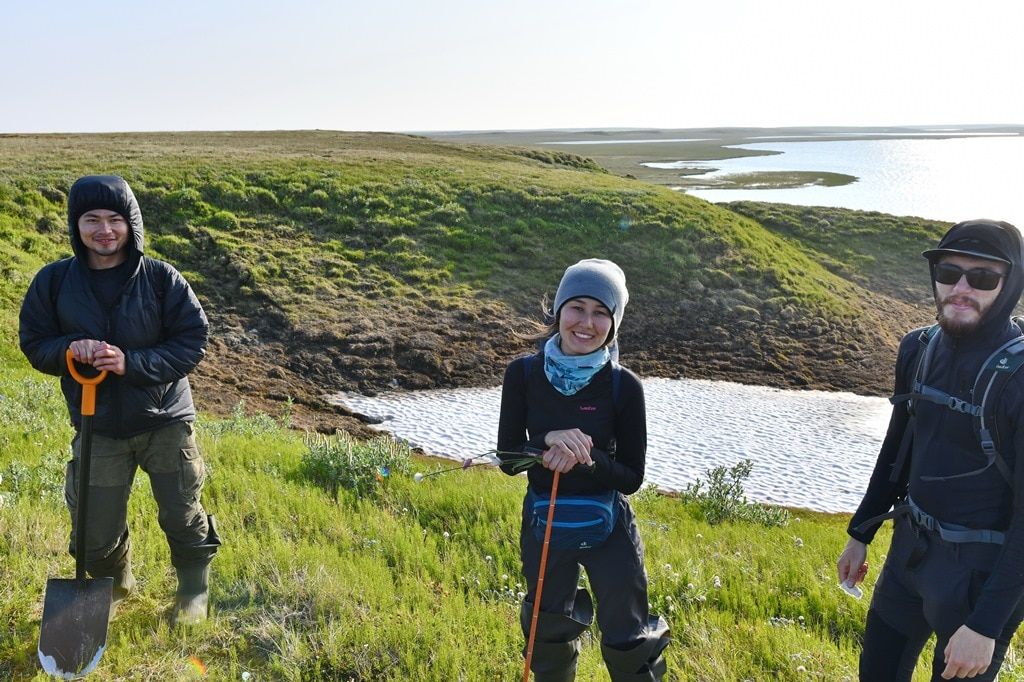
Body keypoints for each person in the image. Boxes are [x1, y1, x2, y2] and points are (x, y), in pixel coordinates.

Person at [19, 175, 220, 625]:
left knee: (183, 514)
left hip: (164, 419)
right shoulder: (52, 282)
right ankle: (114, 586)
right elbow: (34, 342)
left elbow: (193, 340)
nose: (104, 230)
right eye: (92, 219)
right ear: (77, 225)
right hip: (98, 424)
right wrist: (70, 348)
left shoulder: (161, 278)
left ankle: (193, 592)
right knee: (93, 529)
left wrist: (132, 364)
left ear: (132, 224)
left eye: (115, 219)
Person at [837, 219, 1024, 680]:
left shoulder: (1019, 378)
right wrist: (861, 532)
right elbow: (897, 446)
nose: (961, 288)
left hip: (980, 579)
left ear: (1011, 283)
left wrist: (985, 625)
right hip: (909, 557)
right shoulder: (917, 348)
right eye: (948, 273)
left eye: (982, 278)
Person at [496, 259, 669, 681]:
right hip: (545, 520)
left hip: (610, 529)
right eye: (577, 307)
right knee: (548, 628)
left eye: (601, 312)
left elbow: (631, 477)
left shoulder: (623, 386)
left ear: (614, 323)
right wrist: (546, 443)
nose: (586, 323)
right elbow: (507, 459)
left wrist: (588, 458)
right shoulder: (522, 373)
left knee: (629, 636)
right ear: (558, 311)